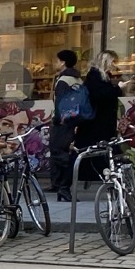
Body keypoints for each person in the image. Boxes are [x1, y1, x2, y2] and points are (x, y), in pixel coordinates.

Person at [73, 49, 125, 165]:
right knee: (98, 150)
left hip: (97, 122)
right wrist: (118, 89)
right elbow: (101, 96)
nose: (114, 65)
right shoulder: (96, 76)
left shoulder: (98, 76)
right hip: (97, 123)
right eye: (113, 62)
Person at [49, 50, 85, 201]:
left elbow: (60, 102)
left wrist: (57, 119)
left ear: (63, 62)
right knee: (67, 153)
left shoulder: (63, 80)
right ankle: (61, 186)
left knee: (59, 152)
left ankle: (61, 186)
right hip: (75, 119)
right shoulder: (78, 79)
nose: (54, 63)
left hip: (63, 122)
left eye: (56, 60)